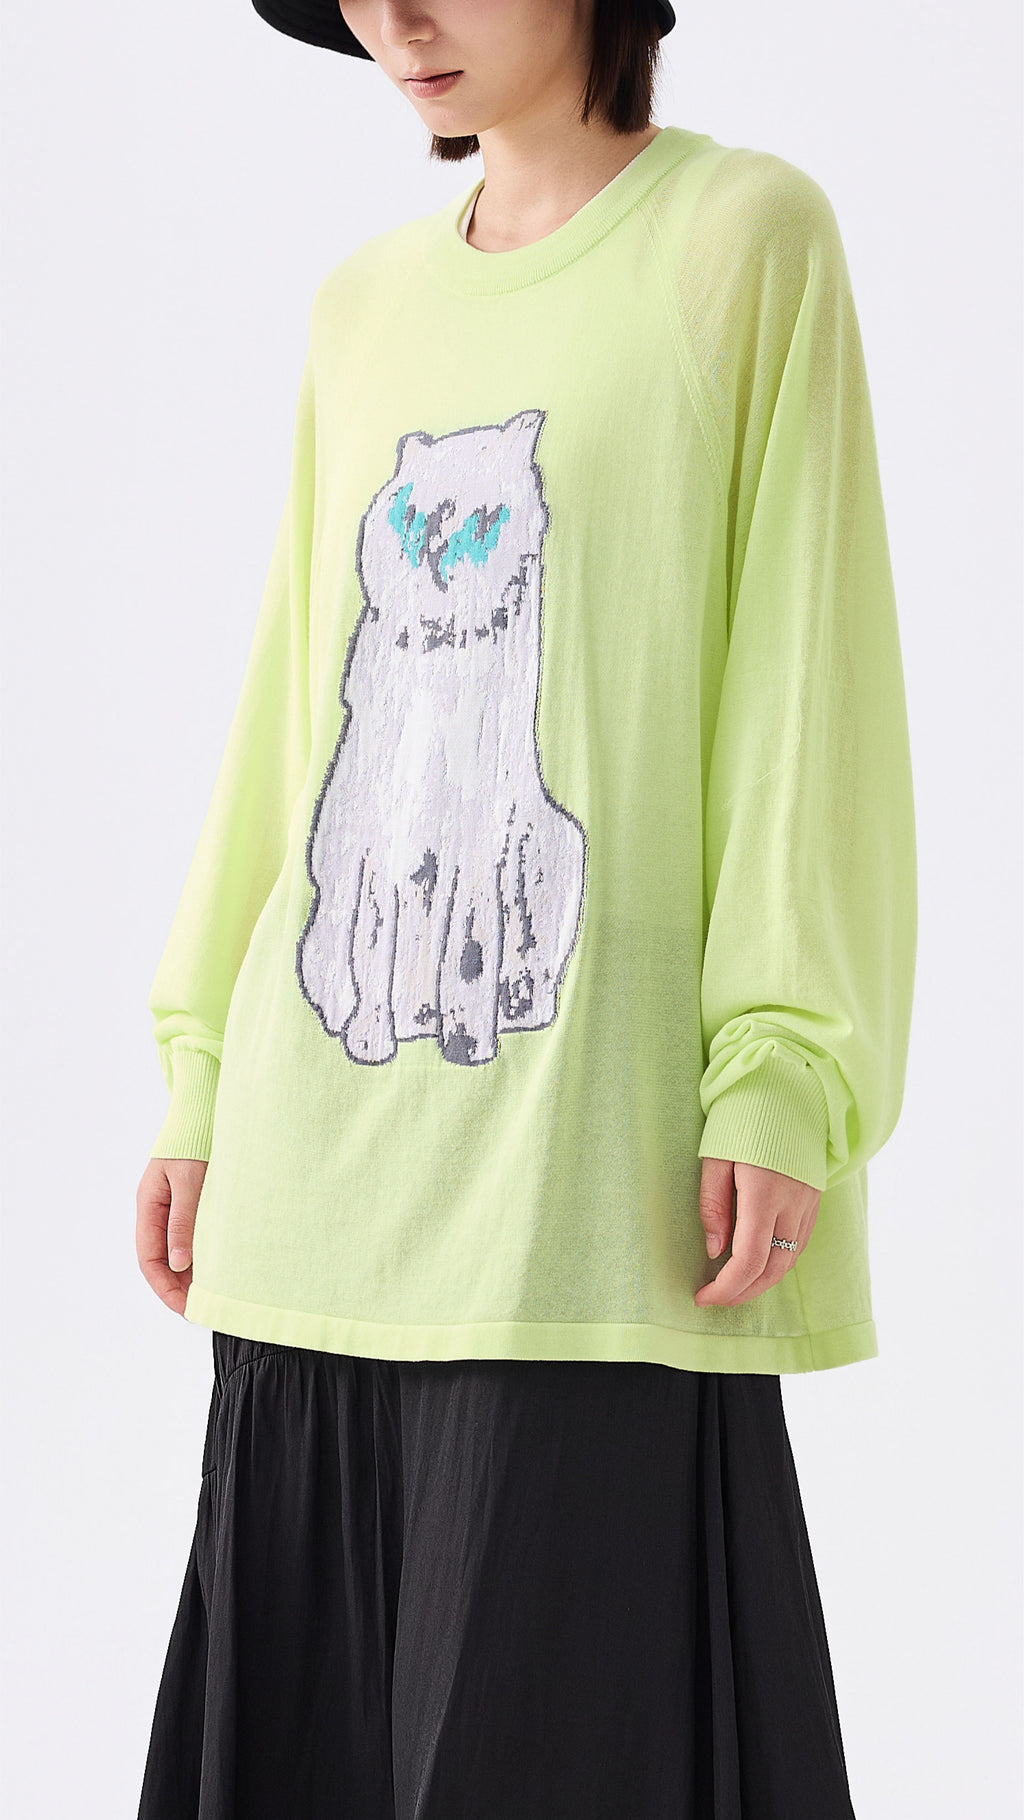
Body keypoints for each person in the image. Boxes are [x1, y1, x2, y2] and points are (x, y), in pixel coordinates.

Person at [134, 1, 918, 1815]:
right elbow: (293, 718)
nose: (393, 20)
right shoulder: (361, 309)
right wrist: (200, 1073)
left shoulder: (743, 241)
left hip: (586, 1186)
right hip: (321, 1188)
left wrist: (783, 1065)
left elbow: (807, 682)